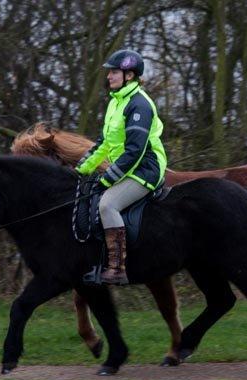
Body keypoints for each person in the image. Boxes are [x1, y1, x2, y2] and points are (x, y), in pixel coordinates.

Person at [76, 49, 167, 285]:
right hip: (128, 168)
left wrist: (108, 178)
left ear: (129, 75)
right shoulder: (116, 102)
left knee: (107, 204)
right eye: (109, 72)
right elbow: (105, 143)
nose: (109, 76)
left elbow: (135, 150)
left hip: (146, 168)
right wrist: (81, 169)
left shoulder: (140, 105)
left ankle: (117, 269)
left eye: (114, 72)